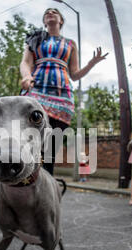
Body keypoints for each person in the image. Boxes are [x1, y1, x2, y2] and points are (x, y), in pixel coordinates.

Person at [20, 7, 107, 176]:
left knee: (52, 144)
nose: (50, 13)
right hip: (36, 89)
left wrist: (91, 64)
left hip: (62, 96)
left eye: (54, 12)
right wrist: (26, 76)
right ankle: (24, 174)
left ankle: (46, 182)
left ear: (61, 20)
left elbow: (74, 75)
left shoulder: (70, 44)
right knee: (30, 135)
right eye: (46, 13)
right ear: (44, 21)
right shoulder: (35, 39)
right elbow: (25, 62)